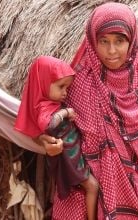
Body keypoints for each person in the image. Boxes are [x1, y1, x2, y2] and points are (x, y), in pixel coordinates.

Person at [38, 2, 138, 219]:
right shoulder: (77, 86)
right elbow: (49, 124)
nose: (111, 51)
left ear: (132, 40)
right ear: (92, 42)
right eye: (104, 41)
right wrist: (45, 141)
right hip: (85, 200)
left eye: (119, 41)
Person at [14, 56, 99, 220]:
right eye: (61, 86)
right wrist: (65, 112)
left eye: (67, 87)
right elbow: (49, 125)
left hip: (73, 155)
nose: (65, 92)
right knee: (92, 186)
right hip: (70, 158)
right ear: (44, 83)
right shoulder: (44, 108)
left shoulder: (50, 104)